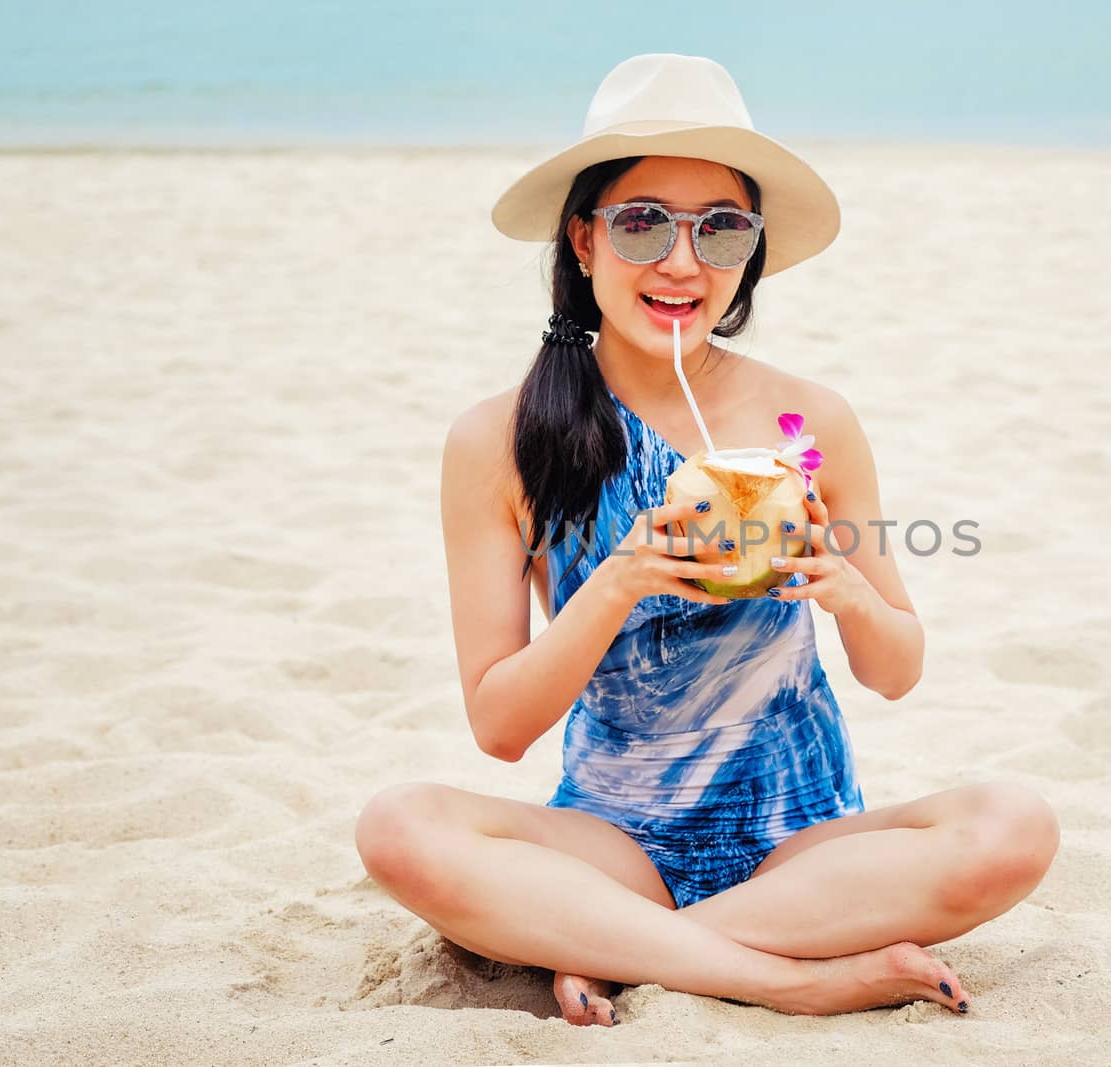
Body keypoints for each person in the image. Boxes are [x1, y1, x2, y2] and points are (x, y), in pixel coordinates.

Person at [354, 53, 1060, 1027]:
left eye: (721, 228)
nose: (682, 261)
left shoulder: (807, 422)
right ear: (584, 237)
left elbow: (896, 669)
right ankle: (786, 975)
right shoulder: (501, 439)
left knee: (1014, 823)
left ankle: (625, 950)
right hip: (611, 841)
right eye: (643, 221)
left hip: (797, 844)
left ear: (749, 252)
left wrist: (846, 584)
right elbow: (500, 725)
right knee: (397, 825)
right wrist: (617, 580)